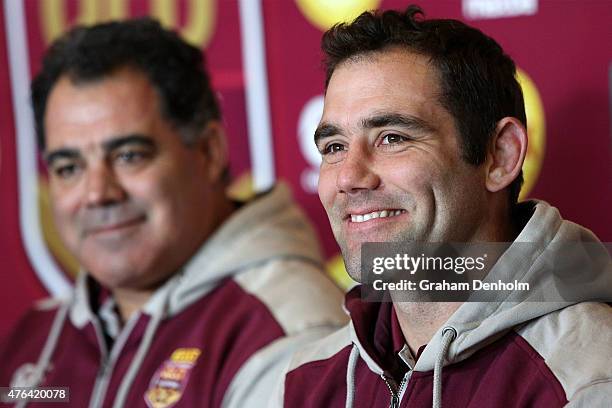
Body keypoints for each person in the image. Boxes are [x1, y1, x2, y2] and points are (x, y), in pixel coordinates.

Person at [276, 6, 612, 408]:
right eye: (334, 148)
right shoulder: (309, 379)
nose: (348, 177)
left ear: (500, 156)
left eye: (392, 138)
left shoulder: (586, 379)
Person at [0, 18, 347, 408]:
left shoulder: (292, 332)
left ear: (209, 151)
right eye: (69, 168)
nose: (97, 193)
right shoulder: (29, 340)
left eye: (129, 156)